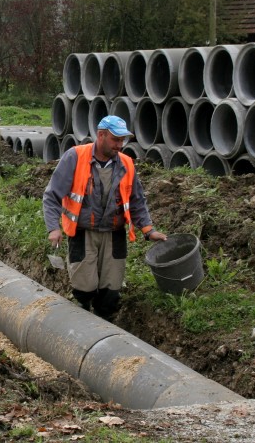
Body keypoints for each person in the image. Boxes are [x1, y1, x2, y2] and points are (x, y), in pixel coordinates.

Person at [42, 115, 167, 320]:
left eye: (122, 140)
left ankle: (105, 324)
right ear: (101, 135)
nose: (120, 145)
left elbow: (137, 200)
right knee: (85, 288)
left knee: (111, 290)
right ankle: (81, 320)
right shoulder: (75, 157)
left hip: (113, 233)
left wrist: (148, 230)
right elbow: (52, 195)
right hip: (83, 233)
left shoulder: (126, 164)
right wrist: (53, 228)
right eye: (115, 139)